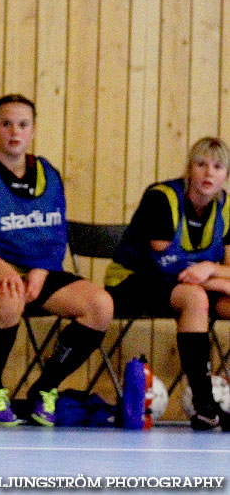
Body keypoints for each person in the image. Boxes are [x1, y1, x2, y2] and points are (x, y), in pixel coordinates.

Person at [0, 93, 113, 427]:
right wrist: (5, 270)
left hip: (37, 269)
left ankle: (45, 389)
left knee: (100, 305)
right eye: (6, 123)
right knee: (8, 299)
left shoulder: (48, 173)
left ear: (33, 130)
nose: (14, 132)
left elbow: (56, 234)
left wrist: (40, 272)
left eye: (22, 124)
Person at [105, 136, 230, 431]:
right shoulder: (162, 198)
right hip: (133, 281)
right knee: (195, 297)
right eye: (201, 164)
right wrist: (217, 279)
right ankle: (205, 406)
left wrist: (210, 268)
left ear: (226, 175)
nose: (209, 173)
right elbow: (166, 265)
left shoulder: (226, 209)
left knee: (203, 295)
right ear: (189, 169)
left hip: (188, 286)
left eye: (217, 166)